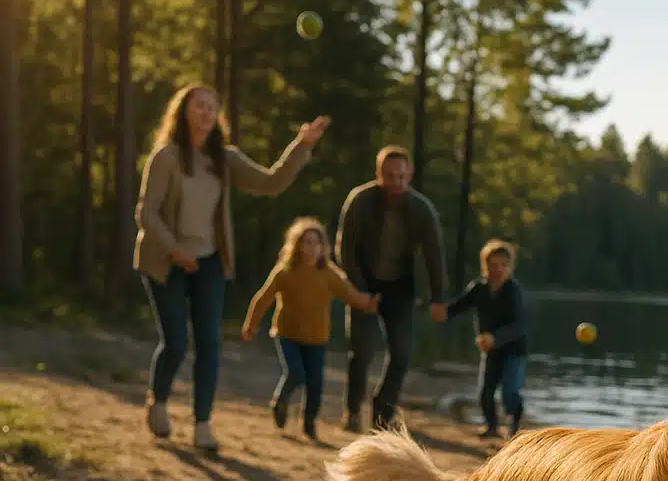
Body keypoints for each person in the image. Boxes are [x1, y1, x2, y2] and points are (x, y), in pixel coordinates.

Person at [135, 82, 329, 452]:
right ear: (183, 111)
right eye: (199, 105)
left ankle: (202, 425)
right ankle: (157, 401)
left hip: (208, 260)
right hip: (165, 259)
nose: (206, 112)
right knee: (175, 342)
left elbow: (271, 182)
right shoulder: (166, 157)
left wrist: (302, 145)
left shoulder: (224, 159)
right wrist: (175, 249)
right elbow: (146, 213)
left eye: (212, 107)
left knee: (209, 343)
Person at [334, 146, 448, 432]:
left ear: (409, 175)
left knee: (402, 354)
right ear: (378, 175)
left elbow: (434, 255)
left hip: (400, 287)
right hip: (363, 282)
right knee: (361, 351)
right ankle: (352, 410)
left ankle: (382, 412)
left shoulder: (421, 209)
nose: (395, 182)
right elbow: (345, 249)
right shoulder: (360, 201)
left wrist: (438, 297)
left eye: (401, 176)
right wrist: (360, 291)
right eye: (389, 176)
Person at [240, 218, 379, 442]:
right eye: (307, 242)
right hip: (287, 334)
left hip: (316, 338)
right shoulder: (285, 271)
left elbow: (350, 295)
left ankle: (309, 423)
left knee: (315, 383)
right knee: (296, 373)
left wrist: (370, 303)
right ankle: (281, 401)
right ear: (296, 245)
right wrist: (251, 324)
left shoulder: (329, 273)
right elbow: (263, 298)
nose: (312, 248)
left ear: (323, 247)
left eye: (317, 243)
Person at [446, 240, 532, 439]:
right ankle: (492, 427)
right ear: (485, 266)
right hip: (491, 351)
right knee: (485, 393)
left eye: (504, 265)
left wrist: (495, 338)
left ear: (510, 267)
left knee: (510, 393)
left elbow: (519, 325)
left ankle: (514, 427)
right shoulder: (478, 289)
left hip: (514, 350)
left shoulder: (513, 290)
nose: (498, 269)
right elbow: (458, 307)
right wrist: (440, 310)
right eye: (493, 264)